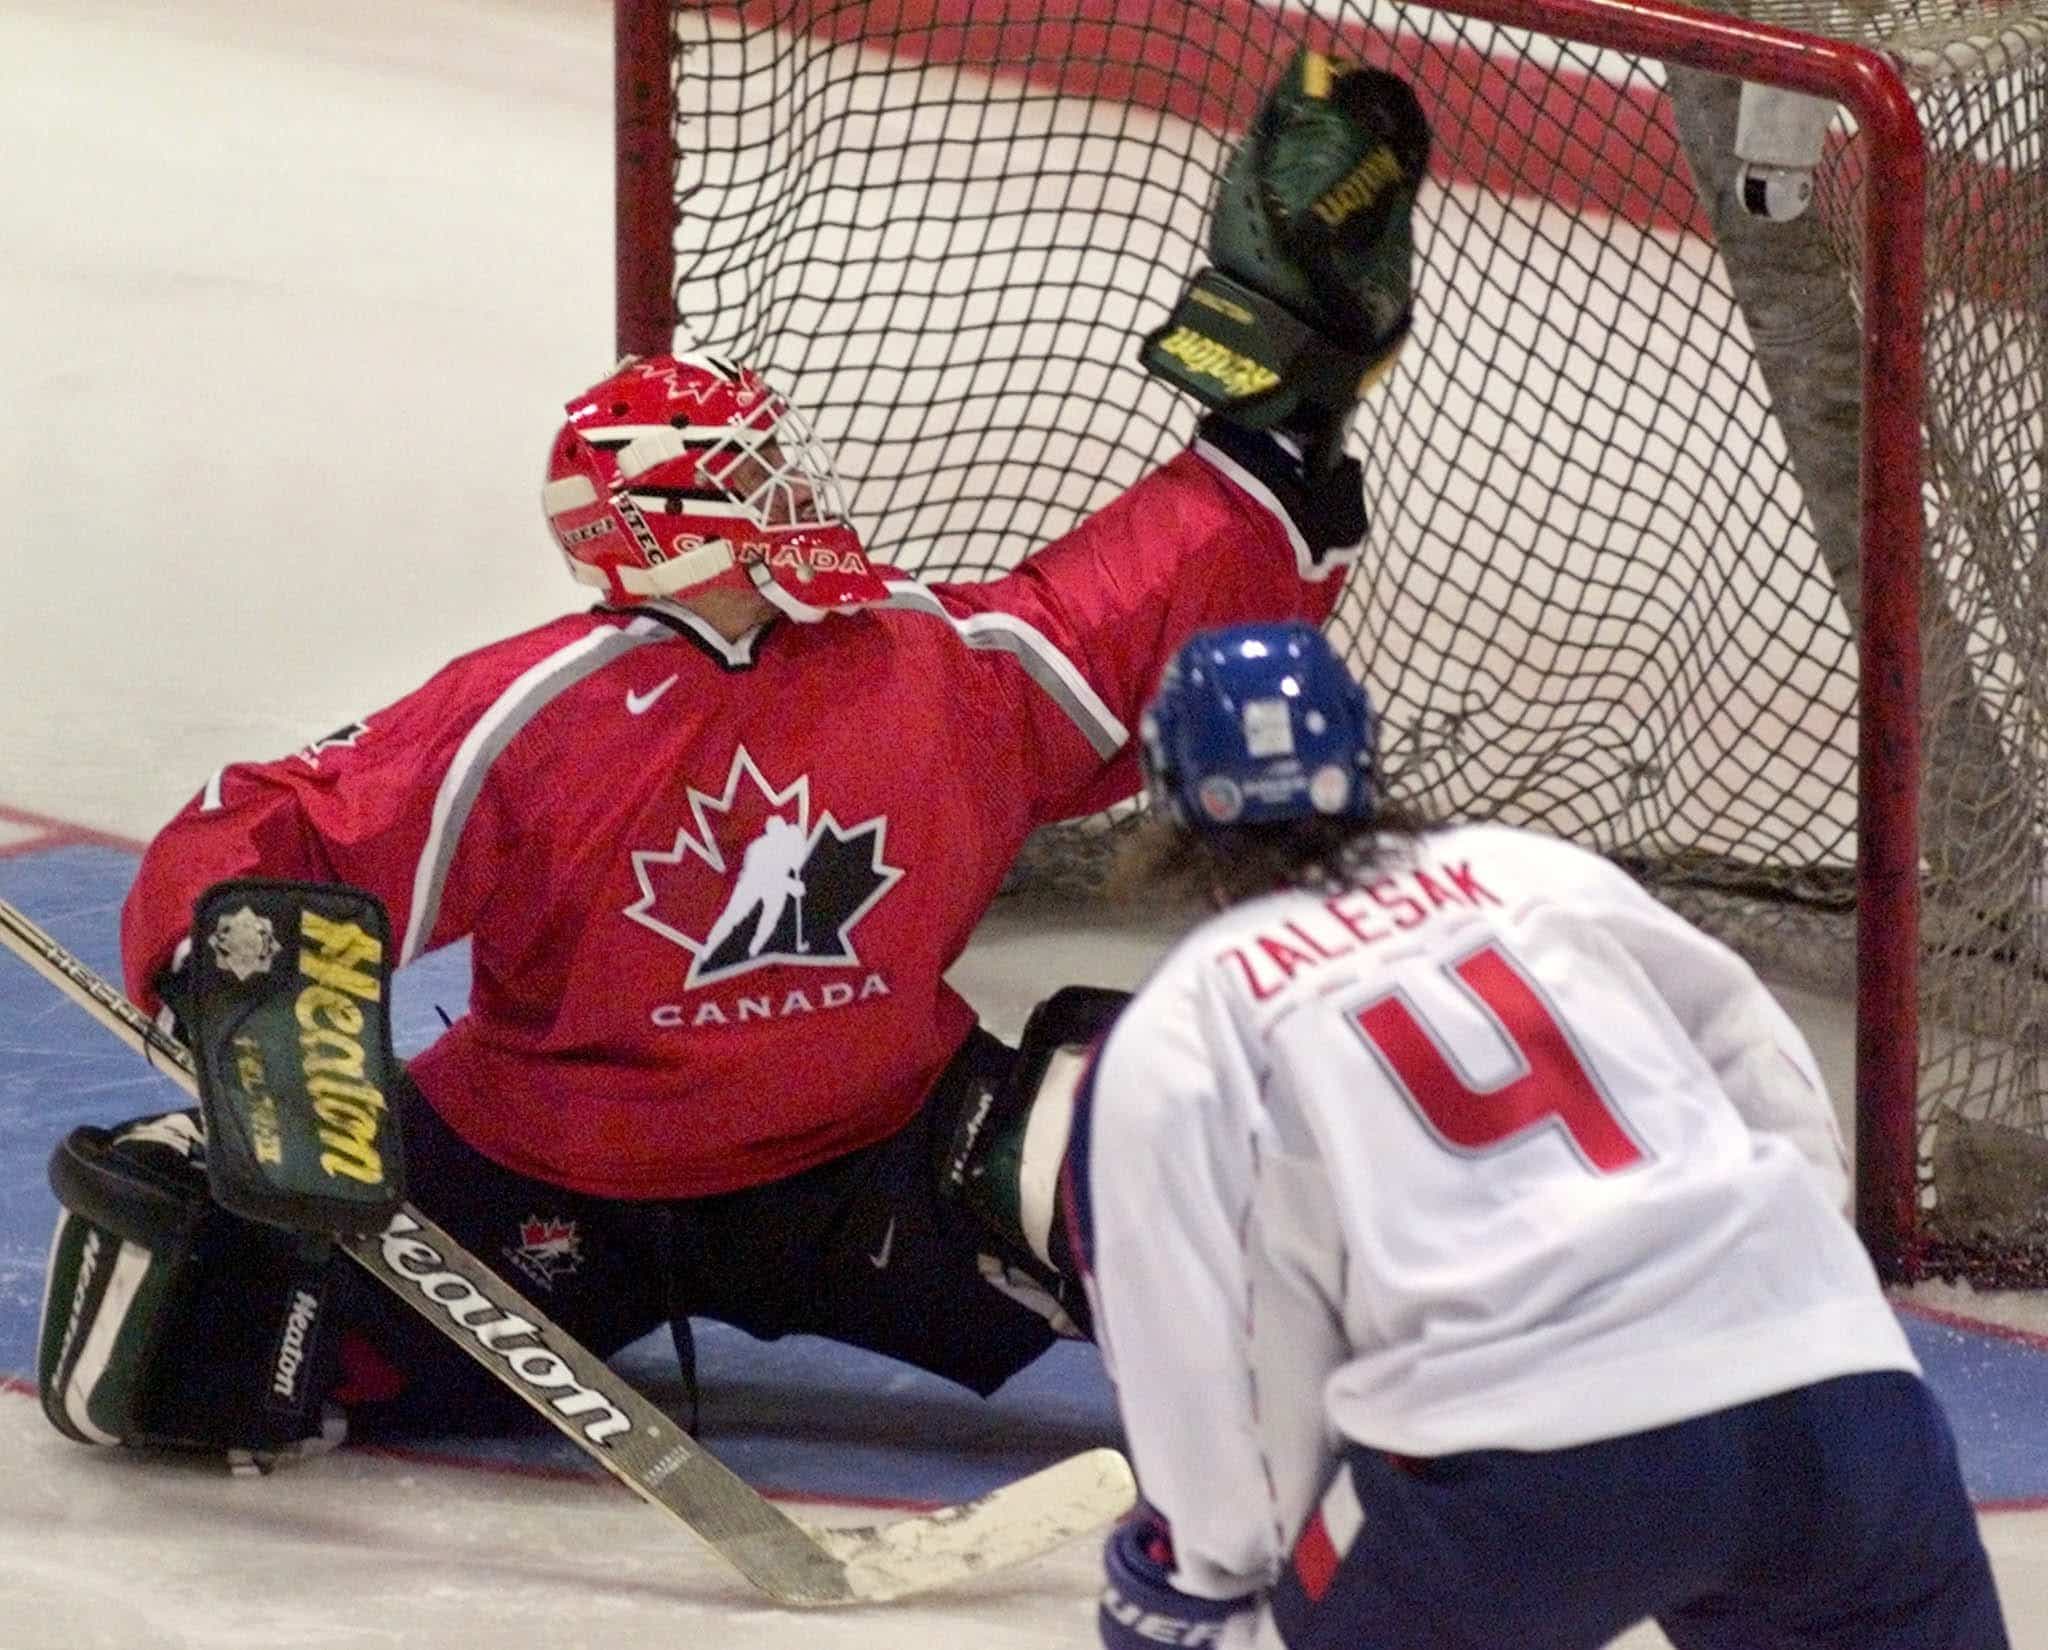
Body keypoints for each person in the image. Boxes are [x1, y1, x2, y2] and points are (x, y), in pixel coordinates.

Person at [35, 53, 1432, 1461]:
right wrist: (229, 966)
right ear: (655, 527)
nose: (789, 494)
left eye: (777, 463)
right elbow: (280, 827)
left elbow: (1122, 609)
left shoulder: (924, 658)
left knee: (1168, 1128)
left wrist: (1282, 423)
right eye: (745, 478)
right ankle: (206, 1221)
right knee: (202, 1324)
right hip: (553, 1185)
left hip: (874, 1154)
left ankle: (1451, 1396)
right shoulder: (532, 715)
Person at [1074, 621, 2009, 1650]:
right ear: (1362, 759)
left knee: (1179, 1618)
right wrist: (1788, 1292)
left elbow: (1190, 1341)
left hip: (1516, 1478)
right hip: (1836, 1407)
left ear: (1169, 805)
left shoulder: (1186, 1018)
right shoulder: (1530, 872)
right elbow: (1753, 1049)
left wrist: (1208, 1568)